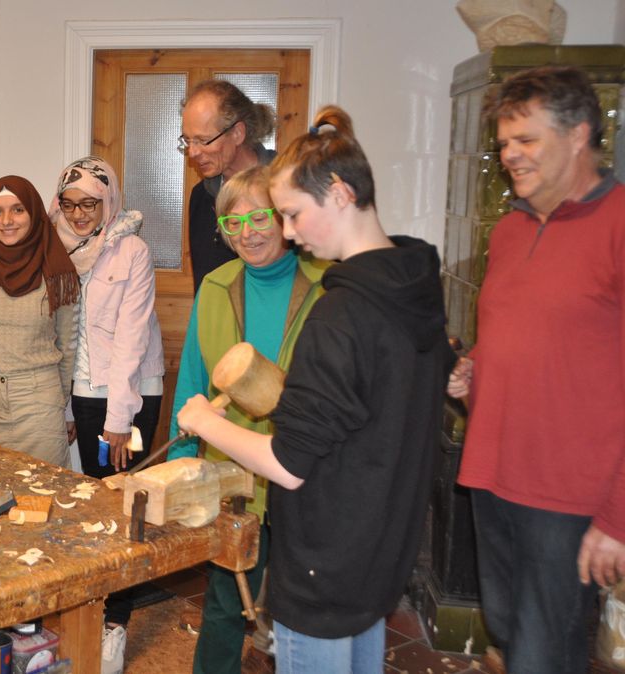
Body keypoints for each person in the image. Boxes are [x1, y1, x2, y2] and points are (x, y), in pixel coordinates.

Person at [177, 106, 452, 674]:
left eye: (292, 215)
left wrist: (204, 424)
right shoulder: (414, 281)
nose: (290, 232)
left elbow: (288, 461)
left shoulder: (340, 312)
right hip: (378, 547)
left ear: (340, 193)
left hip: (325, 560)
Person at [447, 66, 625, 674]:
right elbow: (524, 335)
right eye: (503, 142)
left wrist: (617, 519)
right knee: (509, 634)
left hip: (569, 494)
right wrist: (477, 366)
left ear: (579, 134)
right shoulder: (512, 228)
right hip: (495, 473)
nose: (509, 155)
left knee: (545, 655)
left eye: (526, 140)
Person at [167, 165, 328, 674]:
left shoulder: (326, 284)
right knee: (225, 597)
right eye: (232, 224)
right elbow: (193, 374)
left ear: (284, 219)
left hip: (305, 470)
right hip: (233, 470)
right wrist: (181, 456)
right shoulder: (216, 285)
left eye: (259, 217)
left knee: (303, 603)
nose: (247, 233)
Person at [49, 156, 164, 674]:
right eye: (70, 203)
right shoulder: (52, 249)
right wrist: (65, 402)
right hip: (79, 392)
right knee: (85, 503)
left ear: (108, 201)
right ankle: (85, 613)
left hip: (131, 394)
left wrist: (120, 417)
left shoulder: (132, 250)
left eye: (90, 203)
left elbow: (132, 340)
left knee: (121, 507)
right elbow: (56, 332)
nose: (78, 214)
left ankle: (115, 624)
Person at [0, 176, 79, 466]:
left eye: (17, 210)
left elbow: (68, 347)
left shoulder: (56, 270)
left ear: (33, 212)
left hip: (39, 403)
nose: (6, 221)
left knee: (50, 497)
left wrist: (62, 406)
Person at [181, 79, 278, 291]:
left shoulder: (287, 188)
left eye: (203, 140)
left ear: (237, 133)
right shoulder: (201, 197)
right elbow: (204, 285)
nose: (193, 152)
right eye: (188, 140)